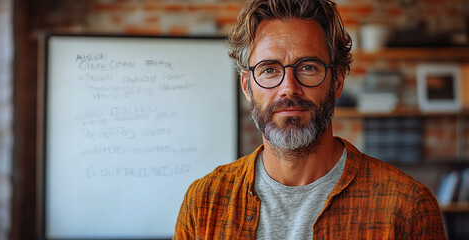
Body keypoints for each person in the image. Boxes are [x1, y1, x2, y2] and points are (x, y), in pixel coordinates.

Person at [174, 0, 446, 239]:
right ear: (247, 86)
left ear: (337, 81)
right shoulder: (204, 203)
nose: (288, 88)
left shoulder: (407, 207)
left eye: (308, 67)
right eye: (269, 69)